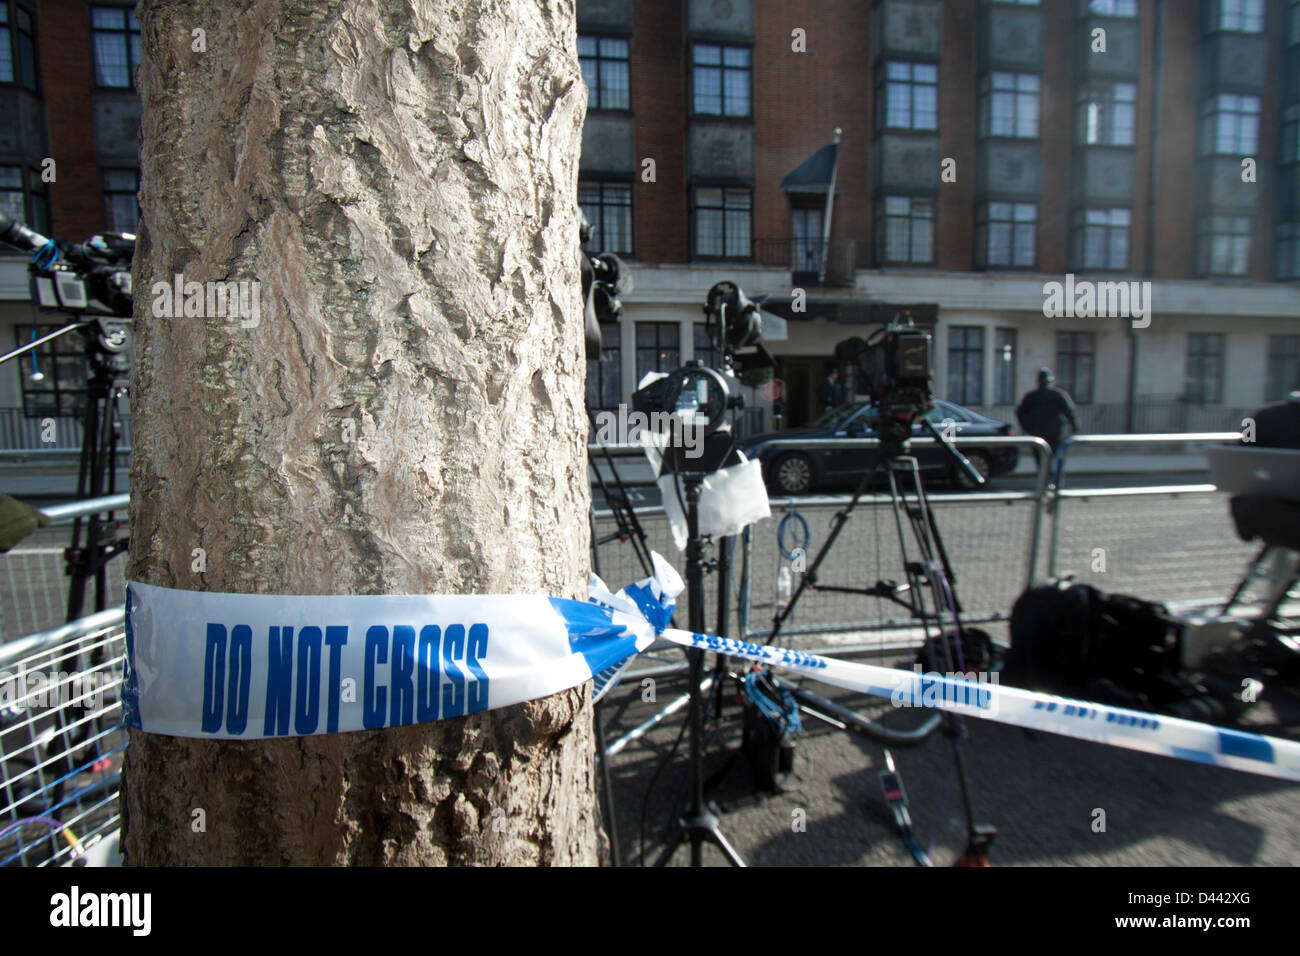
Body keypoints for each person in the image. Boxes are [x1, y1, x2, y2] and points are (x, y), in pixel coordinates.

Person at [1016, 368, 1080, 454]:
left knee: (1040, 457)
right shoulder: (1058, 394)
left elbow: (1020, 413)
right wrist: (1075, 426)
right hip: (1055, 432)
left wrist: (1027, 427)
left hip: (1037, 431)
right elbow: (1070, 411)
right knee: (1054, 457)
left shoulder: (1031, 396)